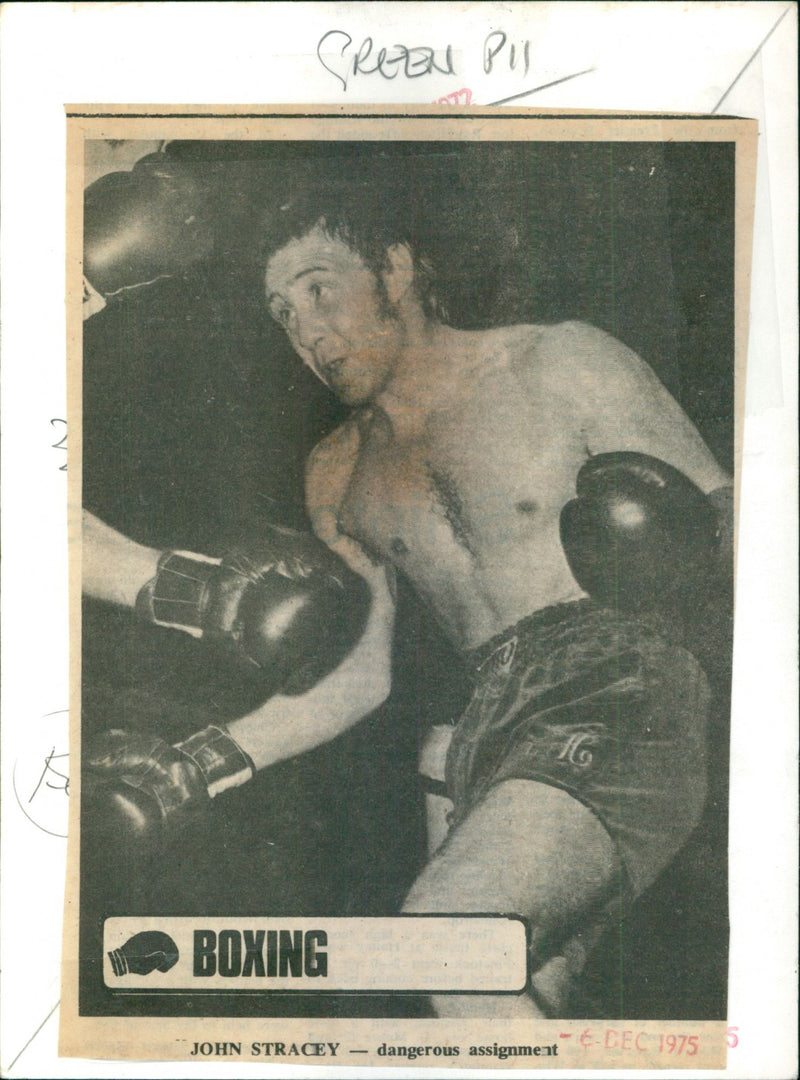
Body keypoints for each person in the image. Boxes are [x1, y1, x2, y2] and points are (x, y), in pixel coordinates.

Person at [85, 170, 733, 1019]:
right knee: (485, 1017)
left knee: (448, 937)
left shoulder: (559, 359)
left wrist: (691, 551)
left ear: (395, 270)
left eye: (319, 291)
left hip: (614, 687)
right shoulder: (336, 470)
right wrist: (193, 767)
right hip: (475, 737)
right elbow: (360, 675)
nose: (307, 333)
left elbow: (732, 520)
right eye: (283, 313)